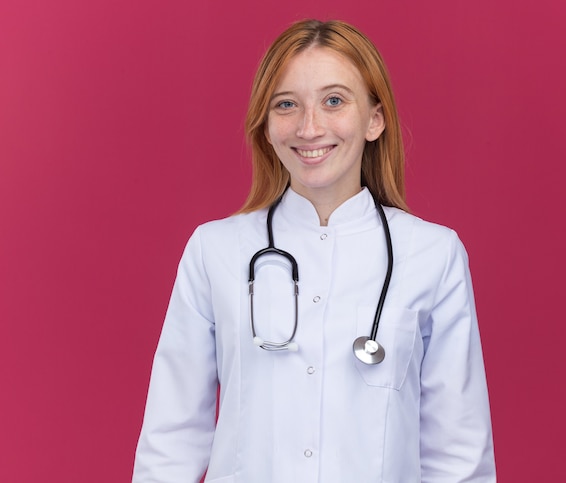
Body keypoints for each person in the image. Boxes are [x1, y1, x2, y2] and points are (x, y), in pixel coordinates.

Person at [132, 19, 496, 483]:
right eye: (287, 105)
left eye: (334, 101)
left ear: (374, 119)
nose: (309, 127)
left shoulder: (432, 254)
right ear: (266, 126)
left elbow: (457, 452)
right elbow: (172, 438)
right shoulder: (214, 251)